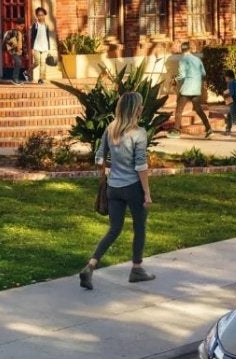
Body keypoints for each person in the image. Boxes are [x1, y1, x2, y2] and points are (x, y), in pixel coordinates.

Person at [80, 92, 157, 289]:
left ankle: (90, 266)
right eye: (140, 105)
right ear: (136, 109)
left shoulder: (111, 128)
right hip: (133, 187)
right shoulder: (139, 133)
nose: (142, 108)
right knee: (139, 227)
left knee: (114, 229)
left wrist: (109, 172)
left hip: (113, 188)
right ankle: (137, 269)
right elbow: (141, 166)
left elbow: (99, 158)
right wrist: (147, 193)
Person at [174, 42, 213, 139]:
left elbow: (182, 75)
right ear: (189, 49)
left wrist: (175, 79)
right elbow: (203, 73)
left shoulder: (183, 60)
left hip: (187, 89)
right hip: (196, 88)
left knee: (179, 110)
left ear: (181, 50)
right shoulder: (197, 59)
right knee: (198, 109)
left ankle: (176, 131)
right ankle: (209, 129)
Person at [29, 7, 56, 84]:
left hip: (44, 47)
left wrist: (49, 48)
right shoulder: (35, 25)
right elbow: (32, 37)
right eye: (39, 15)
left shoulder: (46, 26)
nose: (40, 17)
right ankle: (28, 71)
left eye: (42, 15)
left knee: (43, 63)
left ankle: (41, 79)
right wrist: (32, 48)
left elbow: (47, 37)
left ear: (44, 15)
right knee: (37, 62)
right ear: (37, 16)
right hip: (36, 47)